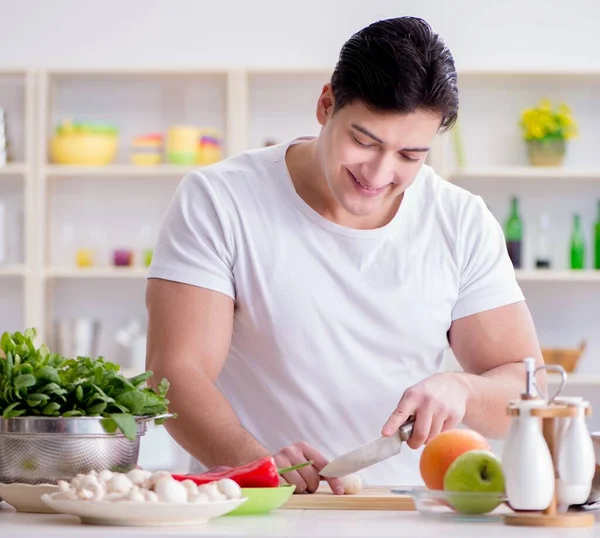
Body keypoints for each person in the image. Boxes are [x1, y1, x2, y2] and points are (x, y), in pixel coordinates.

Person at [145, 16, 545, 493]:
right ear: (326, 103)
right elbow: (173, 374)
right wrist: (259, 467)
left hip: (405, 511)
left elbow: (528, 388)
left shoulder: (461, 221)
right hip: (256, 505)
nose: (379, 173)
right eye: (364, 141)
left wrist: (461, 388)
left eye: (410, 156)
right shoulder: (220, 199)